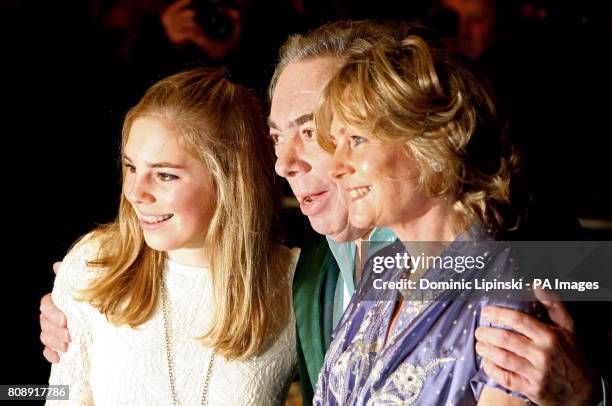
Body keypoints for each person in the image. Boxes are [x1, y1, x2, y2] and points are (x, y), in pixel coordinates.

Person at [40, 20, 605, 405]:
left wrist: (588, 391)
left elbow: (558, 305)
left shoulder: (528, 246)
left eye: (315, 131)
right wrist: (78, 303)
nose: (285, 162)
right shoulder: (308, 269)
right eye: (275, 136)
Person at [311, 27, 601, 405]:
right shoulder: (382, 269)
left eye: (357, 140)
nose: (335, 167)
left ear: (430, 143)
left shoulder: (507, 288)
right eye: (336, 144)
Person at [46, 67, 298, 405]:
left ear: (229, 182)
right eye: (132, 167)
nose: (136, 192)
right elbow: (59, 396)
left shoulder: (299, 282)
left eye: (165, 176)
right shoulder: (94, 264)